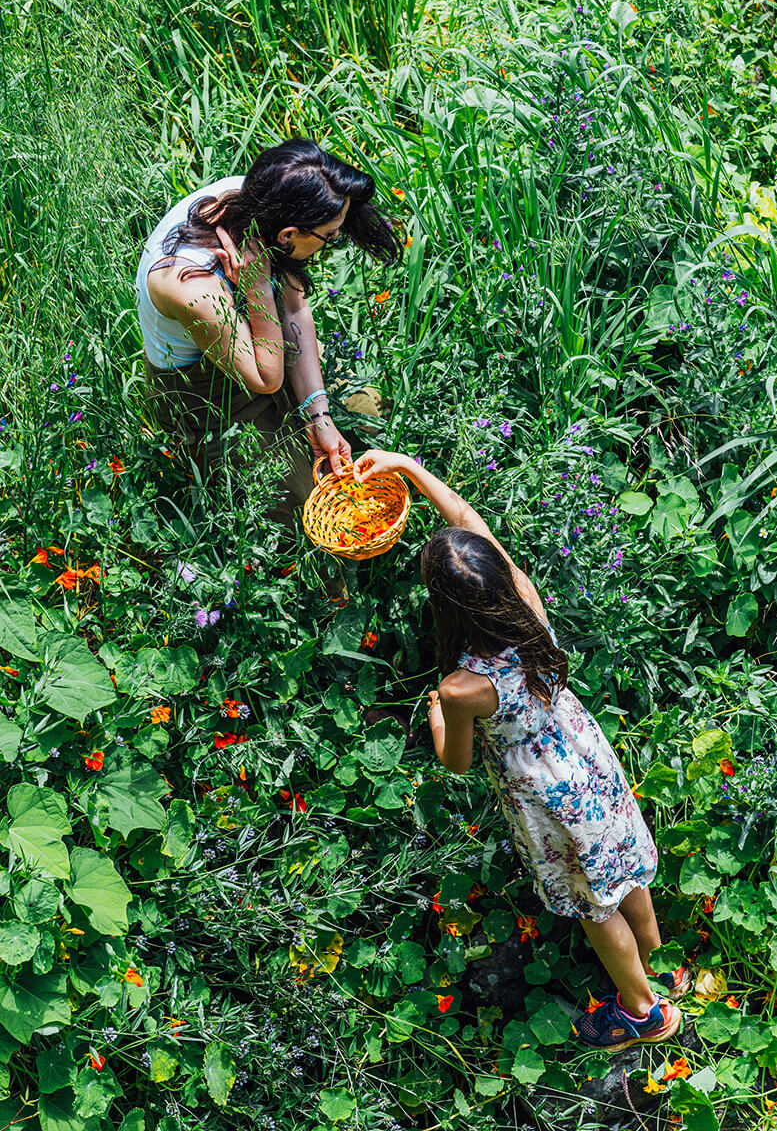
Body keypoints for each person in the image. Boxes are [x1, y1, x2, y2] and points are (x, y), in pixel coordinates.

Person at [351, 448, 691, 1052]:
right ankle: (661, 963)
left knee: (594, 906)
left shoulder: (462, 687)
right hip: (587, 762)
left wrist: (436, 716)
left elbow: (454, 761)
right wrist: (407, 466)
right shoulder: (524, 602)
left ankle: (642, 1010)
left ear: (446, 608)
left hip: (547, 796)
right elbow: (466, 517)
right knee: (619, 870)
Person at [135, 139, 400, 521]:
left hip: (258, 341)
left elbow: (294, 305)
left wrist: (317, 416)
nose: (333, 245)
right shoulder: (187, 283)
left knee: (365, 413)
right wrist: (257, 288)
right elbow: (266, 377)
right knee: (304, 504)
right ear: (290, 234)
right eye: (331, 236)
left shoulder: (263, 199)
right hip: (208, 395)